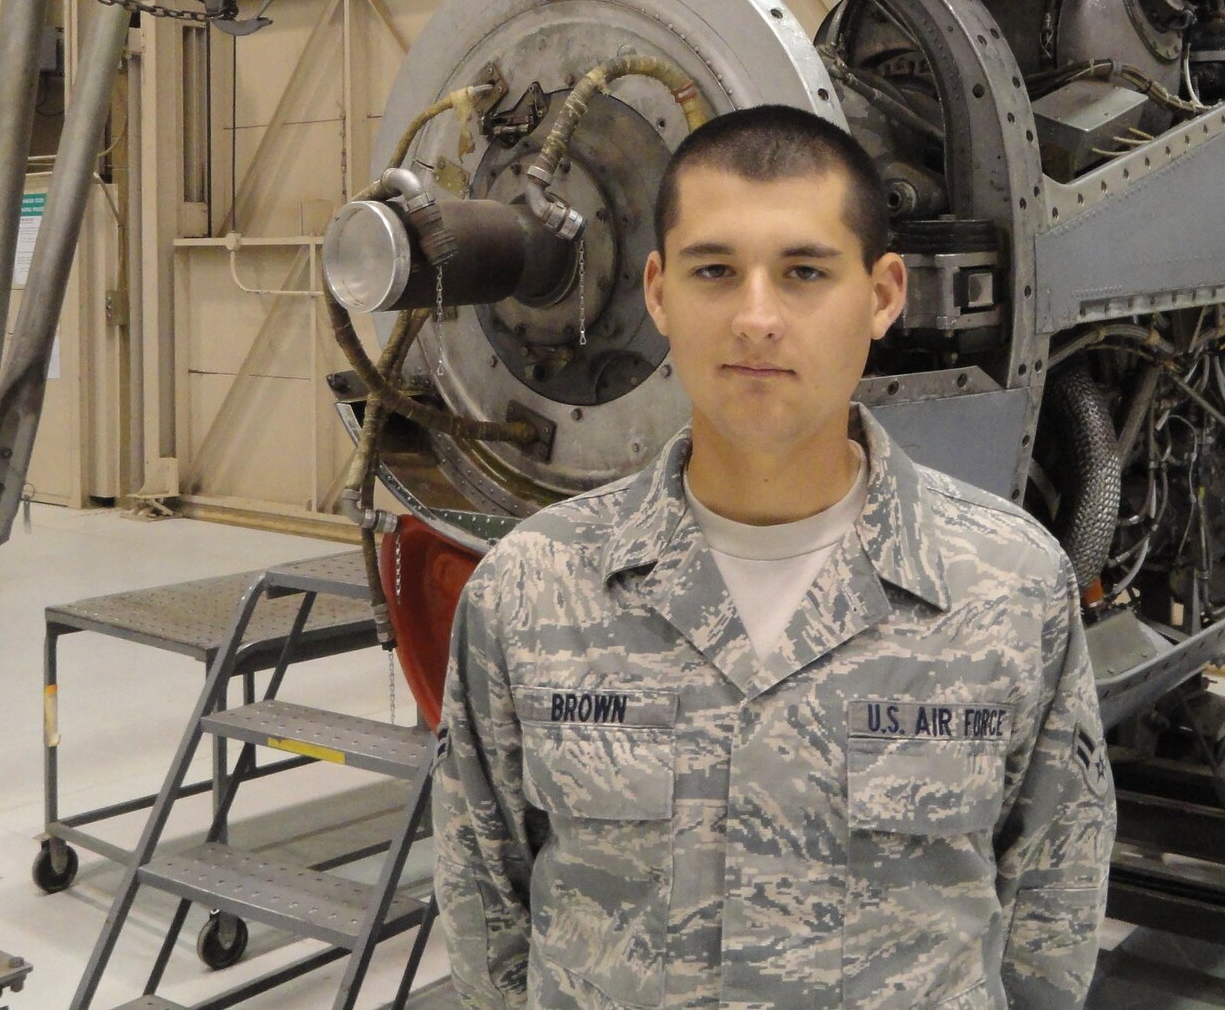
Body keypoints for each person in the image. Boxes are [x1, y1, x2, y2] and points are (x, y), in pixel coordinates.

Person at [433, 104, 1115, 1009]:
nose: (757, 318)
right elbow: (488, 916)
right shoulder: (531, 590)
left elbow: (1049, 920)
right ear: (659, 292)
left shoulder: (1008, 589)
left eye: (803, 273)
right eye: (715, 271)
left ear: (881, 297)